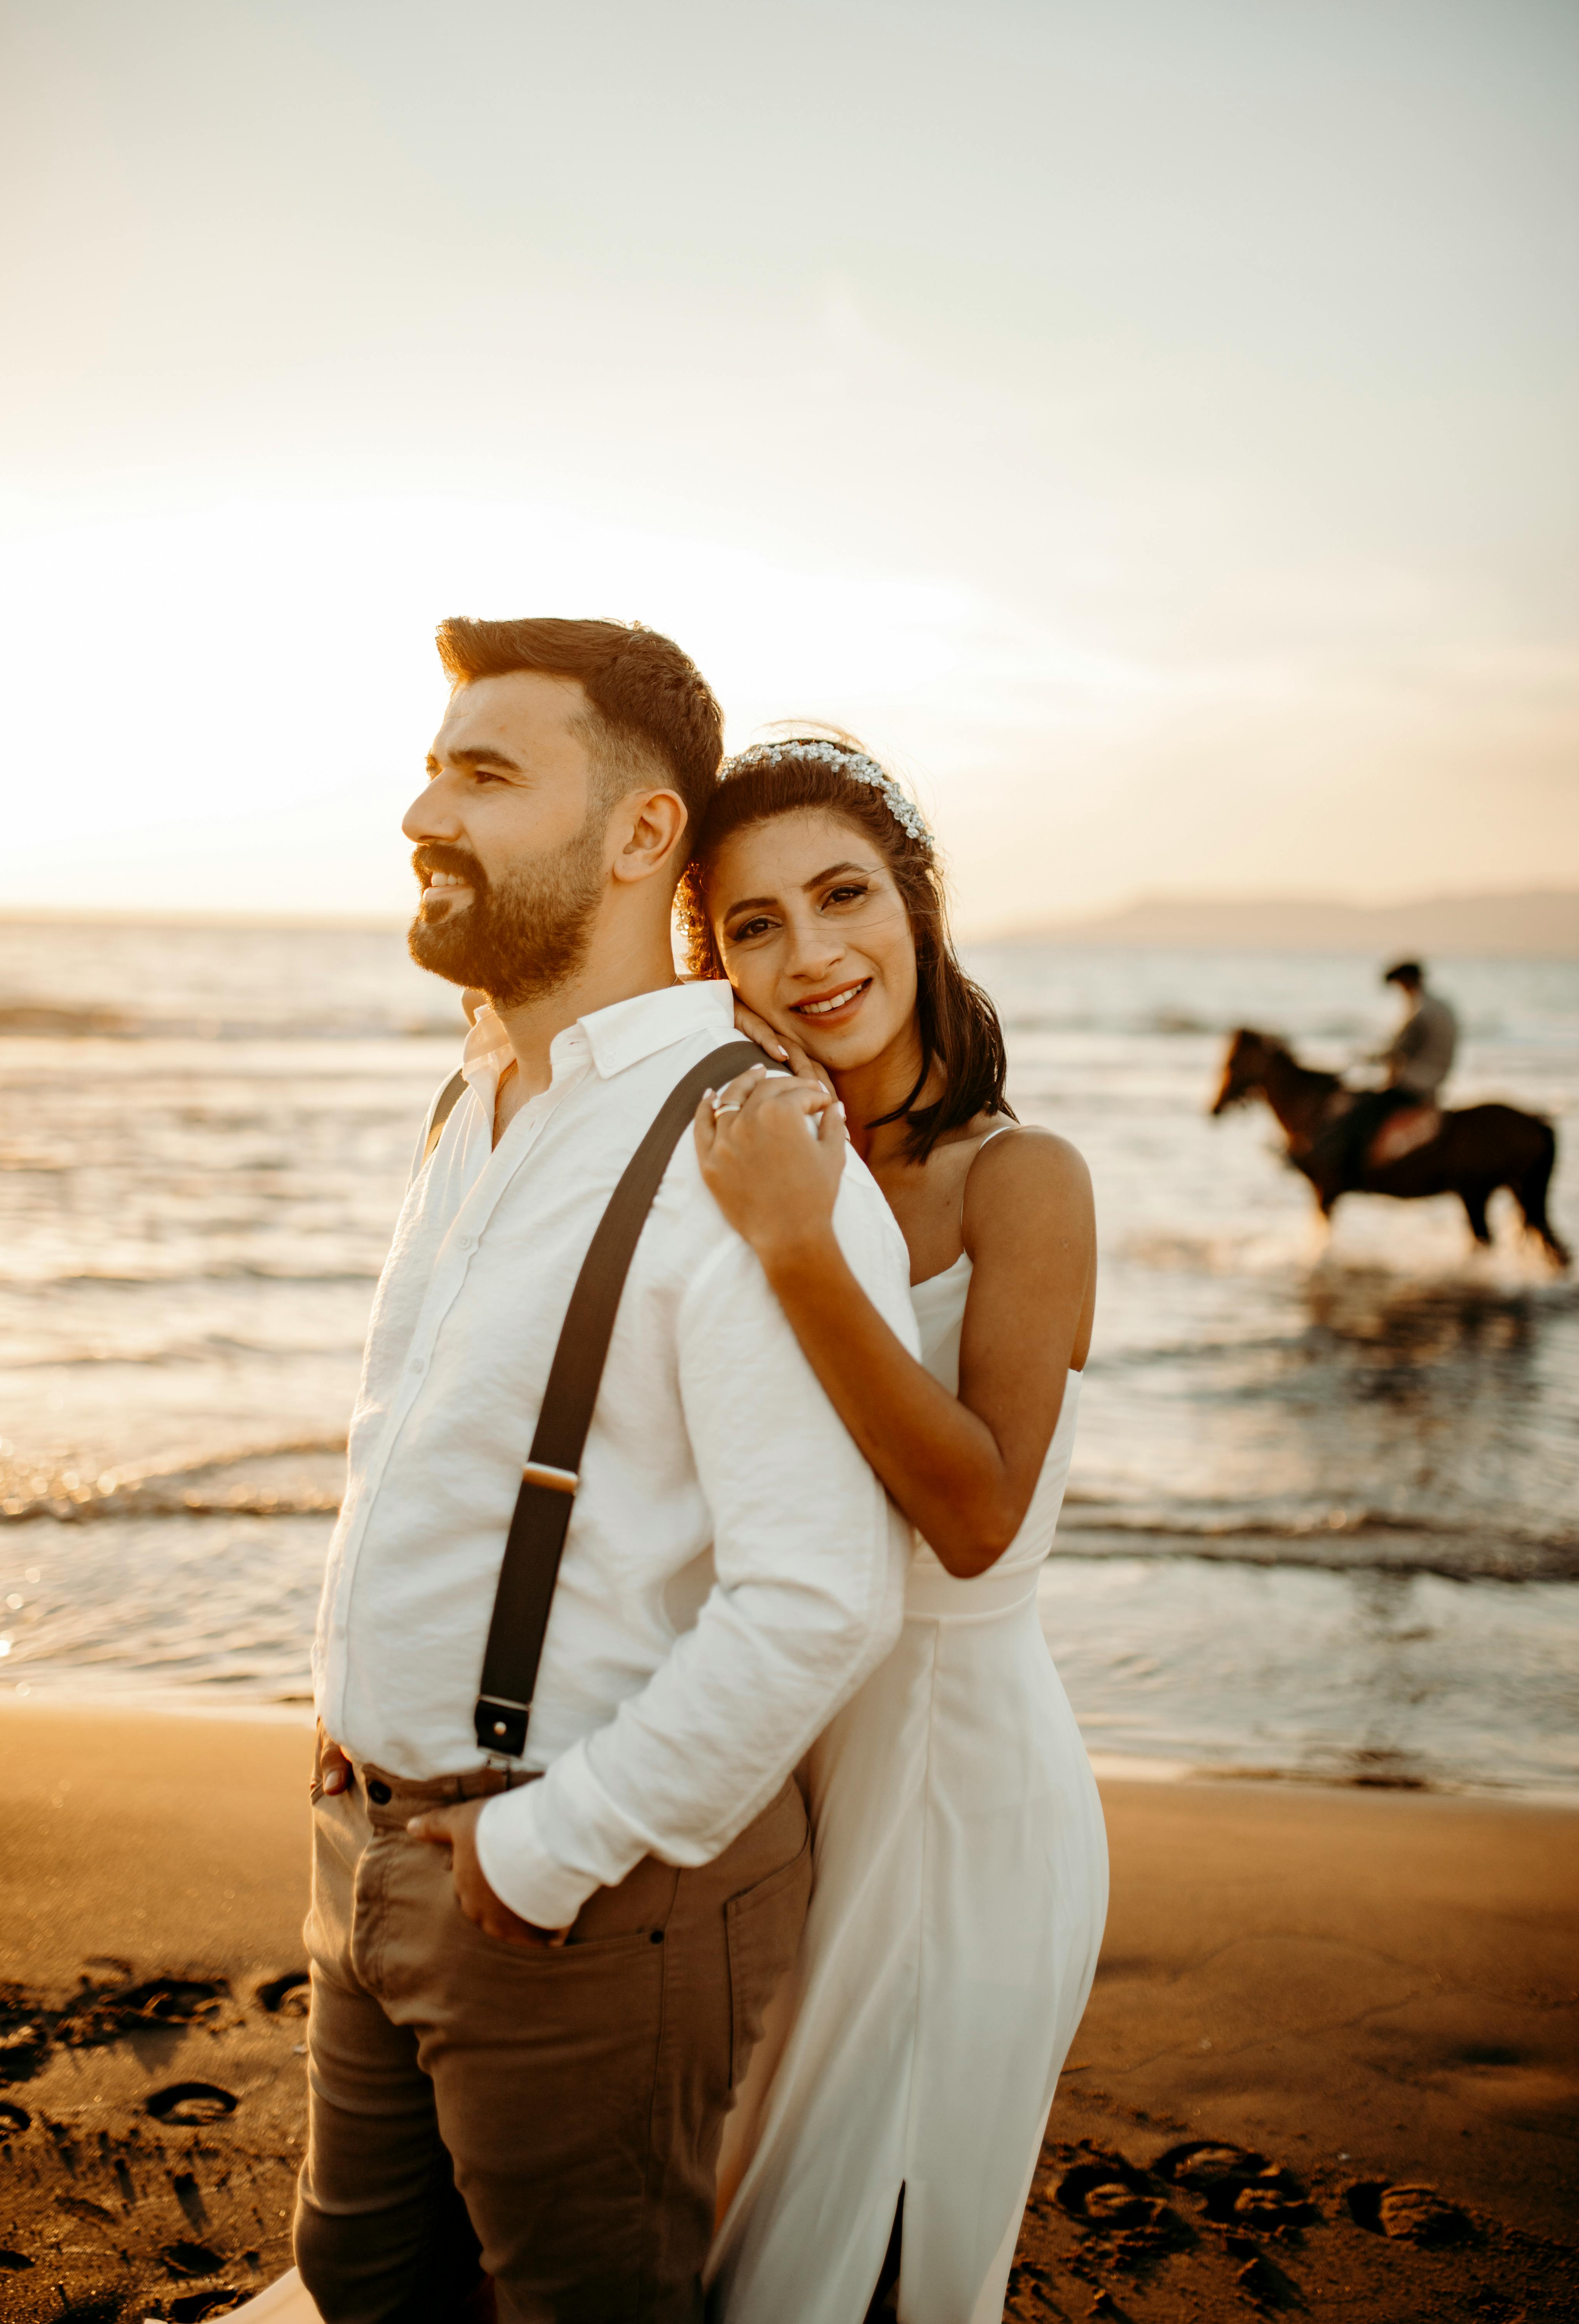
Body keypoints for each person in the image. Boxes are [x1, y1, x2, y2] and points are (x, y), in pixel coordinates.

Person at [240, 622, 917, 2324]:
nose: (421, 808)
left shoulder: (749, 1147)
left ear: (638, 838)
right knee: (361, 2278)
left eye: (485, 774)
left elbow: (821, 1596)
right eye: (432, 762)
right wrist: (355, 1717)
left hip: (588, 1905)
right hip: (371, 1850)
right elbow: (428, 1448)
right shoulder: (476, 1095)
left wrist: (554, 1852)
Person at [678, 736, 1109, 2324]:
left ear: (916, 908)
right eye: (753, 926)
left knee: (869, 2271)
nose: (811, 956)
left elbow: (979, 1516)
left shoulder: (1024, 1182)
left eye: (842, 896)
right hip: (790, 1784)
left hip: (955, 1798)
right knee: (750, 2244)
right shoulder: (754, 1165)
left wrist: (796, 1250)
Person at [1316, 957, 1459, 1192]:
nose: (1400, 990)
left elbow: (1398, 1050)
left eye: (1400, 984)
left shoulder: (1422, 1010)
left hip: (1415, 1084)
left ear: (1408, 980)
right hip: (1433, 1080)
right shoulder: (1440, 1006)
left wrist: (1366, 1058)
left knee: (1360, 1110)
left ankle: (1350, 1168)